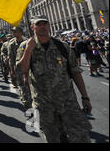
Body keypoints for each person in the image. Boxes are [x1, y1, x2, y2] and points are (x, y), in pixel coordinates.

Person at [16, 15, 92, 143]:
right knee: (53, 139)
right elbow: (21, 70)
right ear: (32, 27)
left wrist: (85, 97)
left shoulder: (62, 46)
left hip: (67, 102)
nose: (42, 27)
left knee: (81, 136)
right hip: (44, 105)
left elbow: (75, 72)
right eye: (38, 24)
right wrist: (28, 50)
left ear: (49, 26)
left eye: (45, 24)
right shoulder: (25, 46)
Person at [7, 27, 32, 110]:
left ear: (21, 32)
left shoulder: (28, 42)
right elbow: (11, 59)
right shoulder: (11, 44)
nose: (14, 33)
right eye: (13, 32)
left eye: (16, 32)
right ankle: (27, 105)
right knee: (23, 88)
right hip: (18, 70)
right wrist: (12, 71)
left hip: (29, 69)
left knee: (31, 87)